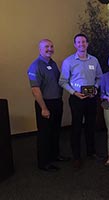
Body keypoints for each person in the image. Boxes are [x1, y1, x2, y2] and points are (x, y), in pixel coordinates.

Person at [59, 33, 103, 169]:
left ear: (87, 44)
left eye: (83, 42)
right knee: (77, 127)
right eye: (78, 42)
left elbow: (99, 77)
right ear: (75, 45)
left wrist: (95, 89)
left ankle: (91, 152)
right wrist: (74, 93)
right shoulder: (69, 61)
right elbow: (62, 81)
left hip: (91, 98)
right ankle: (76, 156)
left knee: (90, 126)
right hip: (77, 99)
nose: (81, 44)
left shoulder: (94, 60)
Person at [27, 39, 69, 172]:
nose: (50, 49)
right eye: (46, 47)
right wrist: (44, 108)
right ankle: (44, 163)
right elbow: (35, 90)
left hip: (56, 102)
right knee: (45, 134)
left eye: (51, 46)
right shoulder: (35, 66)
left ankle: (55, 155)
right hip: (45, 104)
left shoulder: (52, 63)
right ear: (40, 49)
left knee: (55, 132)